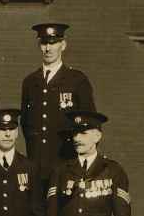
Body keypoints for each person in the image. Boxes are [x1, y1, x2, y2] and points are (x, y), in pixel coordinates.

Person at [20, 23, 96, 191]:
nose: (48, 48)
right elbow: (26, 123)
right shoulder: (30, 82)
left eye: (53, 43)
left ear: (63, 45)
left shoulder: (77, 80)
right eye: (44, 43)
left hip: (66, 164)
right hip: (37, 166)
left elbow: (90, 124)